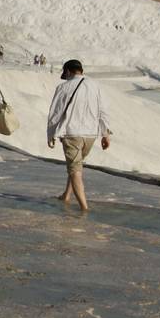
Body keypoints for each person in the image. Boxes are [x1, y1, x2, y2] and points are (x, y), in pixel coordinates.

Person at [45, 59, 112, 211]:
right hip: (90, 134)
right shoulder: (95, 86)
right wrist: (105, 133)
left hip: (72, 134)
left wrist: (51, 134)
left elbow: (55, 112)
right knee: (76, 165)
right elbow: (103, 110)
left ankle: (84, 207)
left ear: (68, 71)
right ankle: (66, 195)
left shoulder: (63, 87)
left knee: (75, 170)